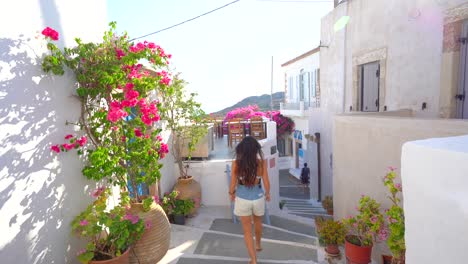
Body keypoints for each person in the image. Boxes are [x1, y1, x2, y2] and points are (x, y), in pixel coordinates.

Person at [229, 136, 271, 264]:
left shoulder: (236, 163)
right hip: (258, 197)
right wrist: (268, 193)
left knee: (247, 231)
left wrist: (231, 193)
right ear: (255, 149)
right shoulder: (262, 162)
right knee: (258, 223)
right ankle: (258, 244)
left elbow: (232, 183)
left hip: (242, 199)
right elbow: (266, 181)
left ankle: (253, 260)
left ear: (241, 149)